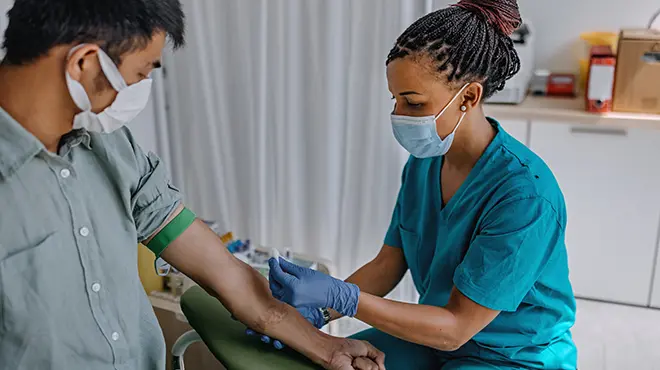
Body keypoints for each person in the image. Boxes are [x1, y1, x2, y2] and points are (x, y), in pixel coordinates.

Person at [0, 1, 385, 369]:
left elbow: (227, 276)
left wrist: (327, 347)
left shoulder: (112, 148)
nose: (139, 90)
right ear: (84, 63)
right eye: (139, 75)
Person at [265, 0, 577, 369]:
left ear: (469, 97)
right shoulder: (424, 165)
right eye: (395, 101)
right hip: (432, 337)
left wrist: (345, 297)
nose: (399, 116)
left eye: (413, 103)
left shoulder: (525, 195)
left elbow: (457, 327)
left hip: (511, 355)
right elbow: (388, 263)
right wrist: (318, 310)